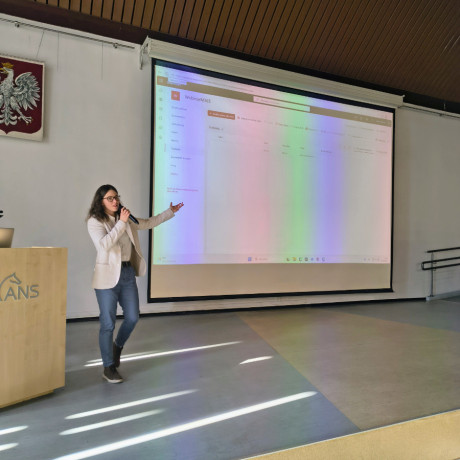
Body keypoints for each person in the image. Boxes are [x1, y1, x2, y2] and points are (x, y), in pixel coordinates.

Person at [87, 184, 183, 383]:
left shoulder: (126, 218)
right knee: (107, 323)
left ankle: (117, 346)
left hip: (127, 273)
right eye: (110, 198)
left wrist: (169, 212)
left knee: (132, 317)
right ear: (101, 201)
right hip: (106, 276)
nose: (115, 201)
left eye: (116, 197)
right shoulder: (95, 221)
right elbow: (104, 245)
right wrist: (121, 223)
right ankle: (108, 367)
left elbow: (147, 223)